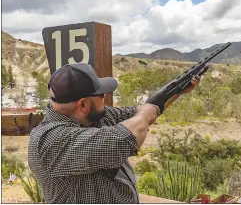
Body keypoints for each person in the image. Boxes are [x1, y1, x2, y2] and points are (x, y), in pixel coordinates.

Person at [28, 63, 200, 204]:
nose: (105, 97)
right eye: (101, 95)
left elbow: (139, 113)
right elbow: (122, 139)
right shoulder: (49, 140)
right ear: (83, 105)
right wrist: (144, 115)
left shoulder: (92, 118)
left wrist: (176, 91)